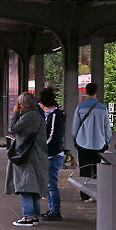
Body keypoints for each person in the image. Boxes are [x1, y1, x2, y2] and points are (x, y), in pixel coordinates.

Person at [6, 92, 49, 227]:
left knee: (25, 185)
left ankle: (28, 216)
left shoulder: (29, 116)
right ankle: (35, 215)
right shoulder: (38, 114)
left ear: (22, 104)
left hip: (27, 155)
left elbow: (12, 129)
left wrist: (15, 114)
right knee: (34, 186)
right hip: (37, 154)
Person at [71, 83, 111, 201]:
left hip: (82, 143)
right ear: (96, 92)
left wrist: (75, 140)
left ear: (86, 92)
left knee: (85, 169)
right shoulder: (102, 108)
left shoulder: (80, 107)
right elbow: (106, 127)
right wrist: (107, 141)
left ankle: (85, 195)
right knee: (97, 169)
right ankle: (96, 194)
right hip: (99, 143)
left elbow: (75, 127)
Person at [38, 88, 66, 222]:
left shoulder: (54, 115)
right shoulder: (50, 115)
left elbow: (52, 136)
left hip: (52, 154)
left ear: (42, 103)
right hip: (51, 153)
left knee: (51, 184)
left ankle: (55, 211)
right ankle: (52, 209)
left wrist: (42, 147)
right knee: (49, 184)